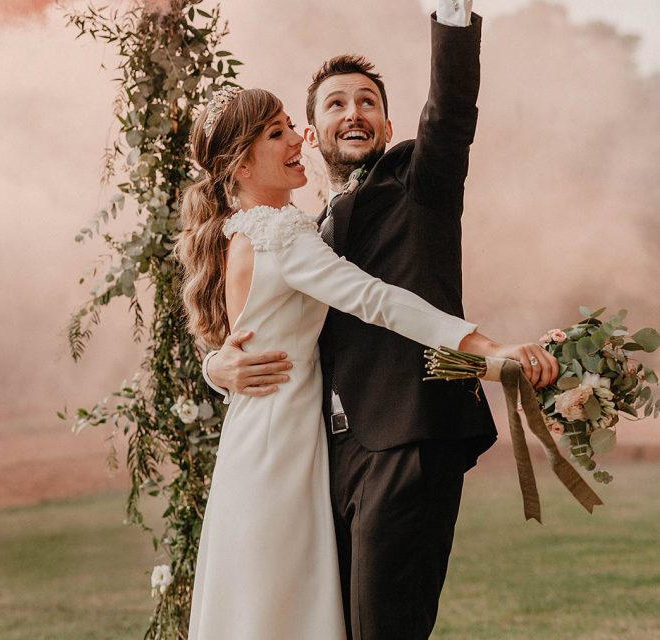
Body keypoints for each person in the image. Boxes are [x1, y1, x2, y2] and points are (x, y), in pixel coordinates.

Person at [203, 0, 558, 639]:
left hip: (406, 437)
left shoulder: (418, 182)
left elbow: (451, 110)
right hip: (316, 458)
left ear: (388, 124)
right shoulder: (292, 224)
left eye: (367, 101)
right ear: (308, 132)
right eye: (335, 104)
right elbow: (263, 319)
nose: (353, 112)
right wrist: (218, 366)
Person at [176, 84, 557, 640]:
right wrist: (488, 348)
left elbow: (248, 341)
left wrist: (216, 369)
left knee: (268, 607)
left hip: (263, 436)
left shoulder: (248, 230)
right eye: (277, 133)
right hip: (280, 446)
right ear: (240, 162)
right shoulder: (279, 234)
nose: (297, 141)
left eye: (292, 127)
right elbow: (377, 300)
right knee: (281, 609)